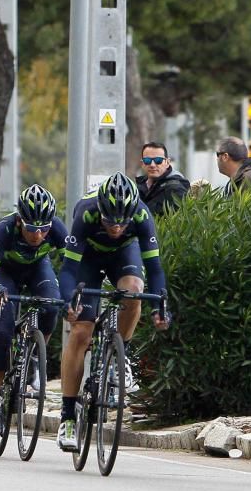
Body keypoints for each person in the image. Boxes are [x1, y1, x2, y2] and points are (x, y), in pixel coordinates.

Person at [56, 172, 171, 451]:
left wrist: (160, 306)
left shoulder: (142, 216)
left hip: (123, 254)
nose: (116, 227)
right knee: (82, 331)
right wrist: (68, 302)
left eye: (122, 222)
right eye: (110, 221)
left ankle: (122, 355)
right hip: (89, 259)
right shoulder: (86, 212)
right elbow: (69, 269)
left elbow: (155, 270)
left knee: (134, 290)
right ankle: (68, 415)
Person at [0, 184, 68, 434]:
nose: (37, 236)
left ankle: (36, 356)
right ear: (20, 221)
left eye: (43, 230)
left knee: (51, 305)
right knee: (3, 332)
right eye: (30, 229)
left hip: (38, 268)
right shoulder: (5, 229)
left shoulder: (57, 228)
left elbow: (73, 266)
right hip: (6, 274)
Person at [134, 142, 190, 216]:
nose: (152, 165)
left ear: (167, 163)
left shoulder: (175, 189)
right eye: (147, 160)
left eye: (158, 160)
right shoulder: (137, 187)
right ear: (142, 164)